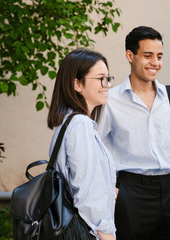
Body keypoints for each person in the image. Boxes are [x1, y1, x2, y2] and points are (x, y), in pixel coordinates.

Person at [98, 26, 170, 240]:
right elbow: (97, 149)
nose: (155, 62)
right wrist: (110, 190)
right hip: (131, 192)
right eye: (148, 56)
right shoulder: (111, 100)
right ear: (130, 55)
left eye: (159, 56)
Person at [47, 49, 116, 240]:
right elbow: (87, 196)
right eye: (101, 78)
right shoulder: (80, 126)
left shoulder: (67, 122)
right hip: (87, 232)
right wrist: (107, 235)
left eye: (108, 78)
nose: (107, 85)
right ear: (77, 84)